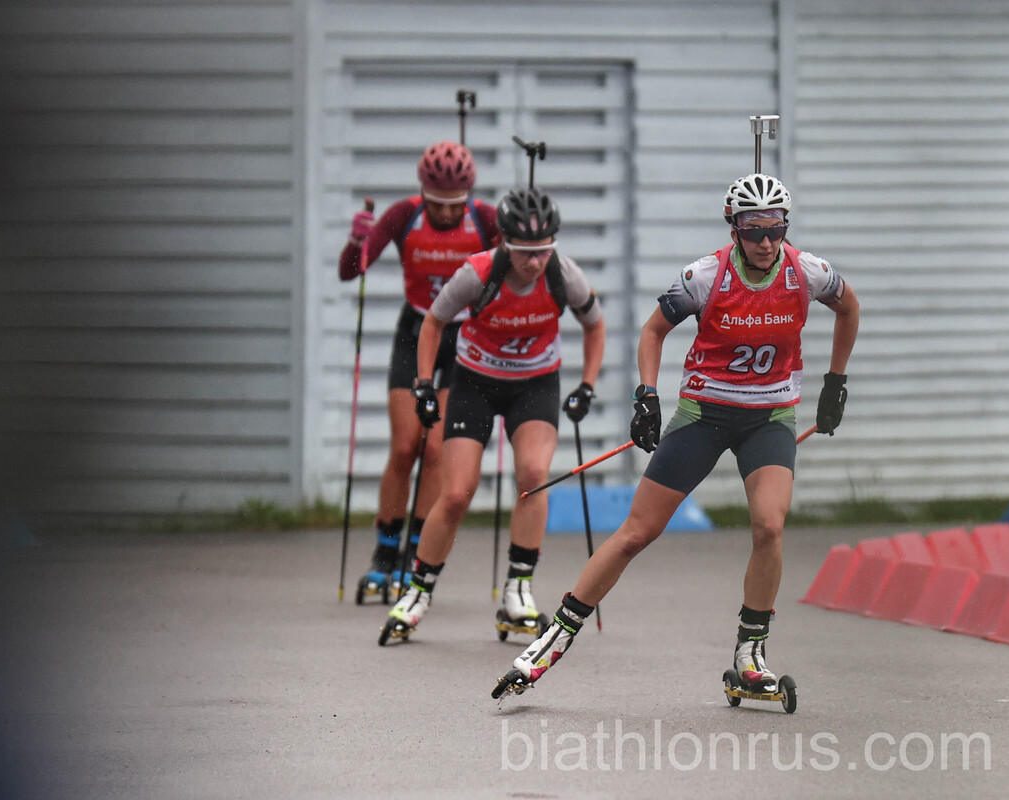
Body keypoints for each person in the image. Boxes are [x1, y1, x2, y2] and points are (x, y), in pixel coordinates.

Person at [496, 173, 860, 694]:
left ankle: (751, 652)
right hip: (704, 415)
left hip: (770, 416)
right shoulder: (705, 276)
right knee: (637, 533)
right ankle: (552, 639)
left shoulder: (808, 272)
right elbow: (653, 331)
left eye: (775, 229)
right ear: (734, 230)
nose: (765, 242)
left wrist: (835, 382)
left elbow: (849, 307)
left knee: (769, 527)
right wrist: (647, 395)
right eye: (753, 230)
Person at [380, 185, 606, 643]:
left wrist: (587, 385)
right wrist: (424, 384)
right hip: (475, 383)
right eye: (525, 252)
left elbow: (595, 325)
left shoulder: (565, 274)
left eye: (543, 250)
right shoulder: (478, 273)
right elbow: (432, 322)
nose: (535, 262)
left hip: (535, 384)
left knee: (533, 476)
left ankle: (518, 591)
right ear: (505, 242)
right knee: (457, 493)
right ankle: (417, 592)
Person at [339, 141, 501, 602]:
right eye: (436, 204)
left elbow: (515, 270)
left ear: (468, 196)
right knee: (405, 445)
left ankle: (414, 553)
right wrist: (357, 241)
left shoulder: (485, 219)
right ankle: (383, 552)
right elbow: (351, 271)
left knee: (434, 451)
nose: (446, 213)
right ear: (423, 194)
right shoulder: (403, 215)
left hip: (462, 338)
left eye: (455, 205)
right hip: (415, 333)